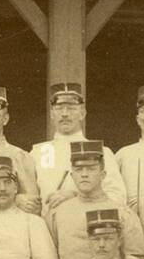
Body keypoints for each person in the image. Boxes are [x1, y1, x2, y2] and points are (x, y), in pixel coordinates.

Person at [45, 140, 144, 259]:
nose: (84, 174)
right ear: (72, 176)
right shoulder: (57, 214)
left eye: (91, 168)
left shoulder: (123, 213)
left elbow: (138, 257)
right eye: (78, 169)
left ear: (103, 175)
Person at [31, 82, 128, 213]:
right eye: (59, 108)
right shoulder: (38, 153)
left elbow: (118, 197)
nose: (65, 114)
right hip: (47, 227)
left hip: (86, 225)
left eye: (71, 108)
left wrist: (77, 196)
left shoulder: (101, 151)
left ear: (82, 113)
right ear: (52, 114)